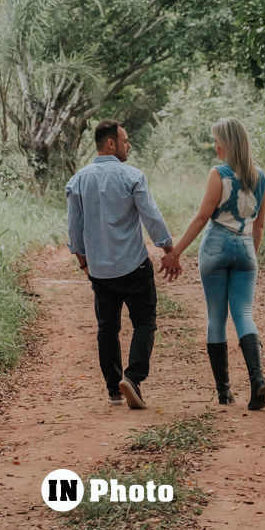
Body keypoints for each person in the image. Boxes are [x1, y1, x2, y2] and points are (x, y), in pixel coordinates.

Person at [66, 119, 181, 410]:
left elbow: (74, 228)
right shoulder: (133, 176)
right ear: (110, 143)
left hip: (101, 272)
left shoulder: (79, 180)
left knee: (107, 329)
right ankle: (133, 376)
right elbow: (151, 217)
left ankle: (114, 391)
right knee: (145, 322)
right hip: (133, 266)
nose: (128, 145)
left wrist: (83, 263)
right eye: (125, 140)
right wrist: (169, 249)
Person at [167, 117, 265, 410]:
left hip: (215, 247)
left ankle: (224, 392)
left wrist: (176, 252)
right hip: (245, 246)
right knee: (244, 314)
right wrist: (251, 254)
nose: (215, 146)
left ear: (228, 143)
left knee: (216, 317)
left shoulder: (219, 174)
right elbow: (259, 225)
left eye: (217, 141)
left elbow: (202, 217)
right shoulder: (260, 177)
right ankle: (257, 380)